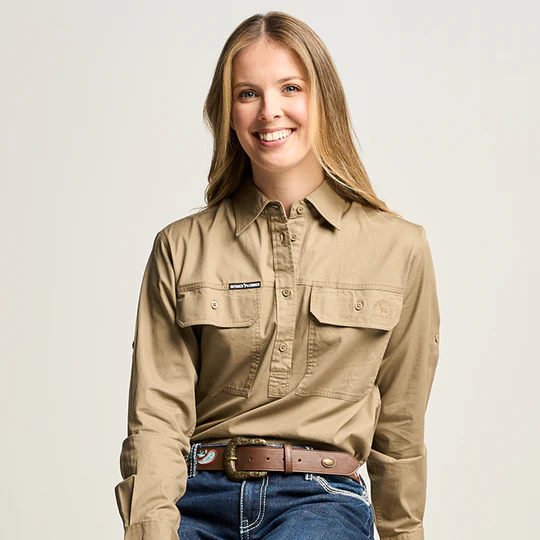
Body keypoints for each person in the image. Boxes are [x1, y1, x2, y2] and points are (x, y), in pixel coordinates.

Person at [114, 10, 441, 540]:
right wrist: (152, 530)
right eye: (248, 94)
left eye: (290, 88)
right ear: (227, 113)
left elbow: (400, 428)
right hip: (195, 499)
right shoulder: (181, 247)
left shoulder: (399, 248)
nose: (270, 111)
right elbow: (156, 418)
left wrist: (404, 534)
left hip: (322, 503)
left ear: (323, 100)